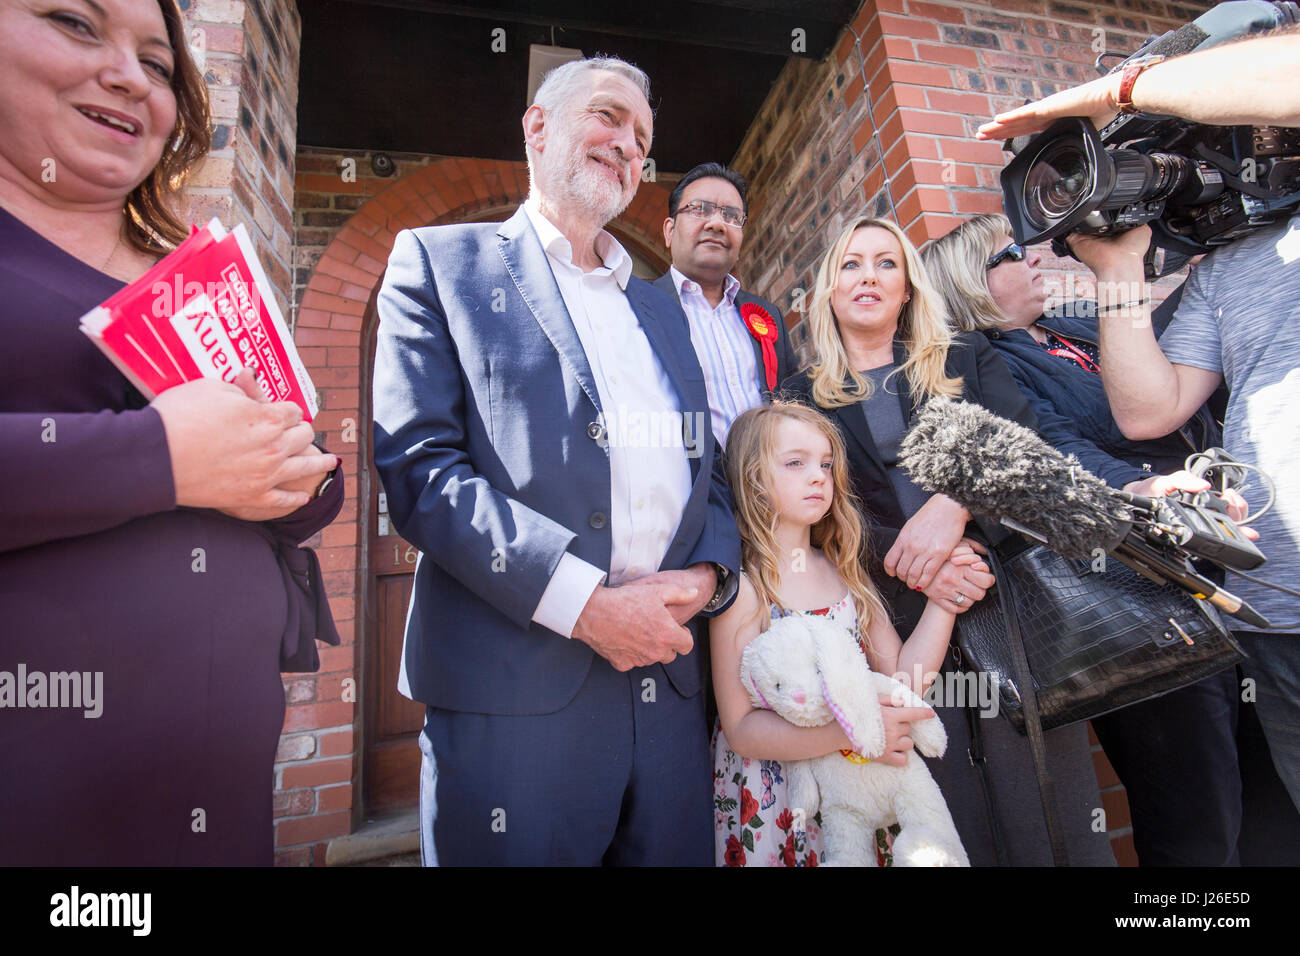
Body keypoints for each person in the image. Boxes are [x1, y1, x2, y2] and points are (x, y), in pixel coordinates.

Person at [372, 56, 741, 866]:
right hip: (515, 701)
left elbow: (707, 469)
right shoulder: (439, 263)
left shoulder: (660, 305)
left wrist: (710, 577)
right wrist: (585, 606)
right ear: (537, 126)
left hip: (671, 696)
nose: (627, 146)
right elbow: (421, 470)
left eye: (642, 139)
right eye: (609, 116)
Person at [0, 0, 343, 864]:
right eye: (75, 23)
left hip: (213, 800)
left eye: (157, 64)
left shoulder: (189, 270)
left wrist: (294, 472)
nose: (127, 75)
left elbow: (283, 478)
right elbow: (179, 460)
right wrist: (160, 458)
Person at [978, 24, 1300, 826]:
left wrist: (1114, 94)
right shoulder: (1224, 267)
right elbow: (1147, 409)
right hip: (1274, 607)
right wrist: (1120, 271)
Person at [782, 216, 1115, 865]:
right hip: (896, 628)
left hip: (1004, 602)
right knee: (946, 811)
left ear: (908, 287)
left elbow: (1030, 460)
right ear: (827, 290)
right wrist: (917, 565)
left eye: (886, 263)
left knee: (1054, 809)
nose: (868, 276)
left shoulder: (965, 358)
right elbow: (819, 516)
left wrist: (958, 517)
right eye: (850, 264)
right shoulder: (798, 399)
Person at [923, 213, 1246, 866]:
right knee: (1195, 814)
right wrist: (1151, 495)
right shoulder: (981, 367)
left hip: (1219, 563)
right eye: (1011, 254)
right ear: (967, 285)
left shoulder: (1073, 331)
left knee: (1256, 785)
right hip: (1137, 595)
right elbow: (1058, 454)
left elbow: (1176, 352)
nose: (1035, 258)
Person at [710, 401, 955, 866]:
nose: (820, 476)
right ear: (752, 478)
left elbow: (905, 681)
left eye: (826, 463)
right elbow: (741, 729)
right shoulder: (744, 589)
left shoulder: (846, 574)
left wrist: (944, 602)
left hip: (855, 791)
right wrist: (856, 731)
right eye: (796, 463)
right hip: (777, 800)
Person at [653, 162, 799, 445]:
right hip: (689, 479)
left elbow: (791, 401)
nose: (717, 224)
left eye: (732, 215)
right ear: (670, 231)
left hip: (768, 480)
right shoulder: (639, 307)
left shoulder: (766, 315)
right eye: (699, 209)